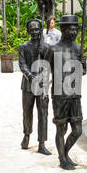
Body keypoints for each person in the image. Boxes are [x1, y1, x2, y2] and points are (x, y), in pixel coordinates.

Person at [45, 15, 87, 170]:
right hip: (60, 95)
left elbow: (83, 72)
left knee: (77, 130)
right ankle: (62, 158)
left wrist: (83, 64)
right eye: (71, 29)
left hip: (75, 94)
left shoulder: (78, 49)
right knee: (61, 128)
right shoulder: (53, 49)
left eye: (76, 29)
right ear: (63, 30)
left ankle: (64, 153)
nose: (74, 32)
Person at [18, 19, 51, 156]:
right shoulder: (23, 47)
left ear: (40, 30)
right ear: (28, 31)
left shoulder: (46, 47)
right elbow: (22, 64)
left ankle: (42, 143)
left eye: (37, 29)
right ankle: (26, 135)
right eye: (32, 30)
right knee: (27, 112)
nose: (35, 32)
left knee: (43, 114)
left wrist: (44, 53)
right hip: (28, 85)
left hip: (42, 85)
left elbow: (49, 64)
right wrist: (31, 76)